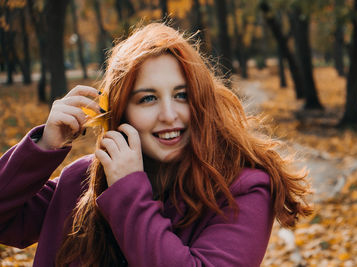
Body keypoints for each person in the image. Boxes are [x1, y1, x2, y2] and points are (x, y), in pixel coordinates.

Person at [0, 23, 312, 266]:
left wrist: (128, 192)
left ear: (201, 102)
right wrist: (43, 146)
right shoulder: (81, 183)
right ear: (121, 110)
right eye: (148, 98)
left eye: (182, 95)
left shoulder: (242, 190)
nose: (169, 115)